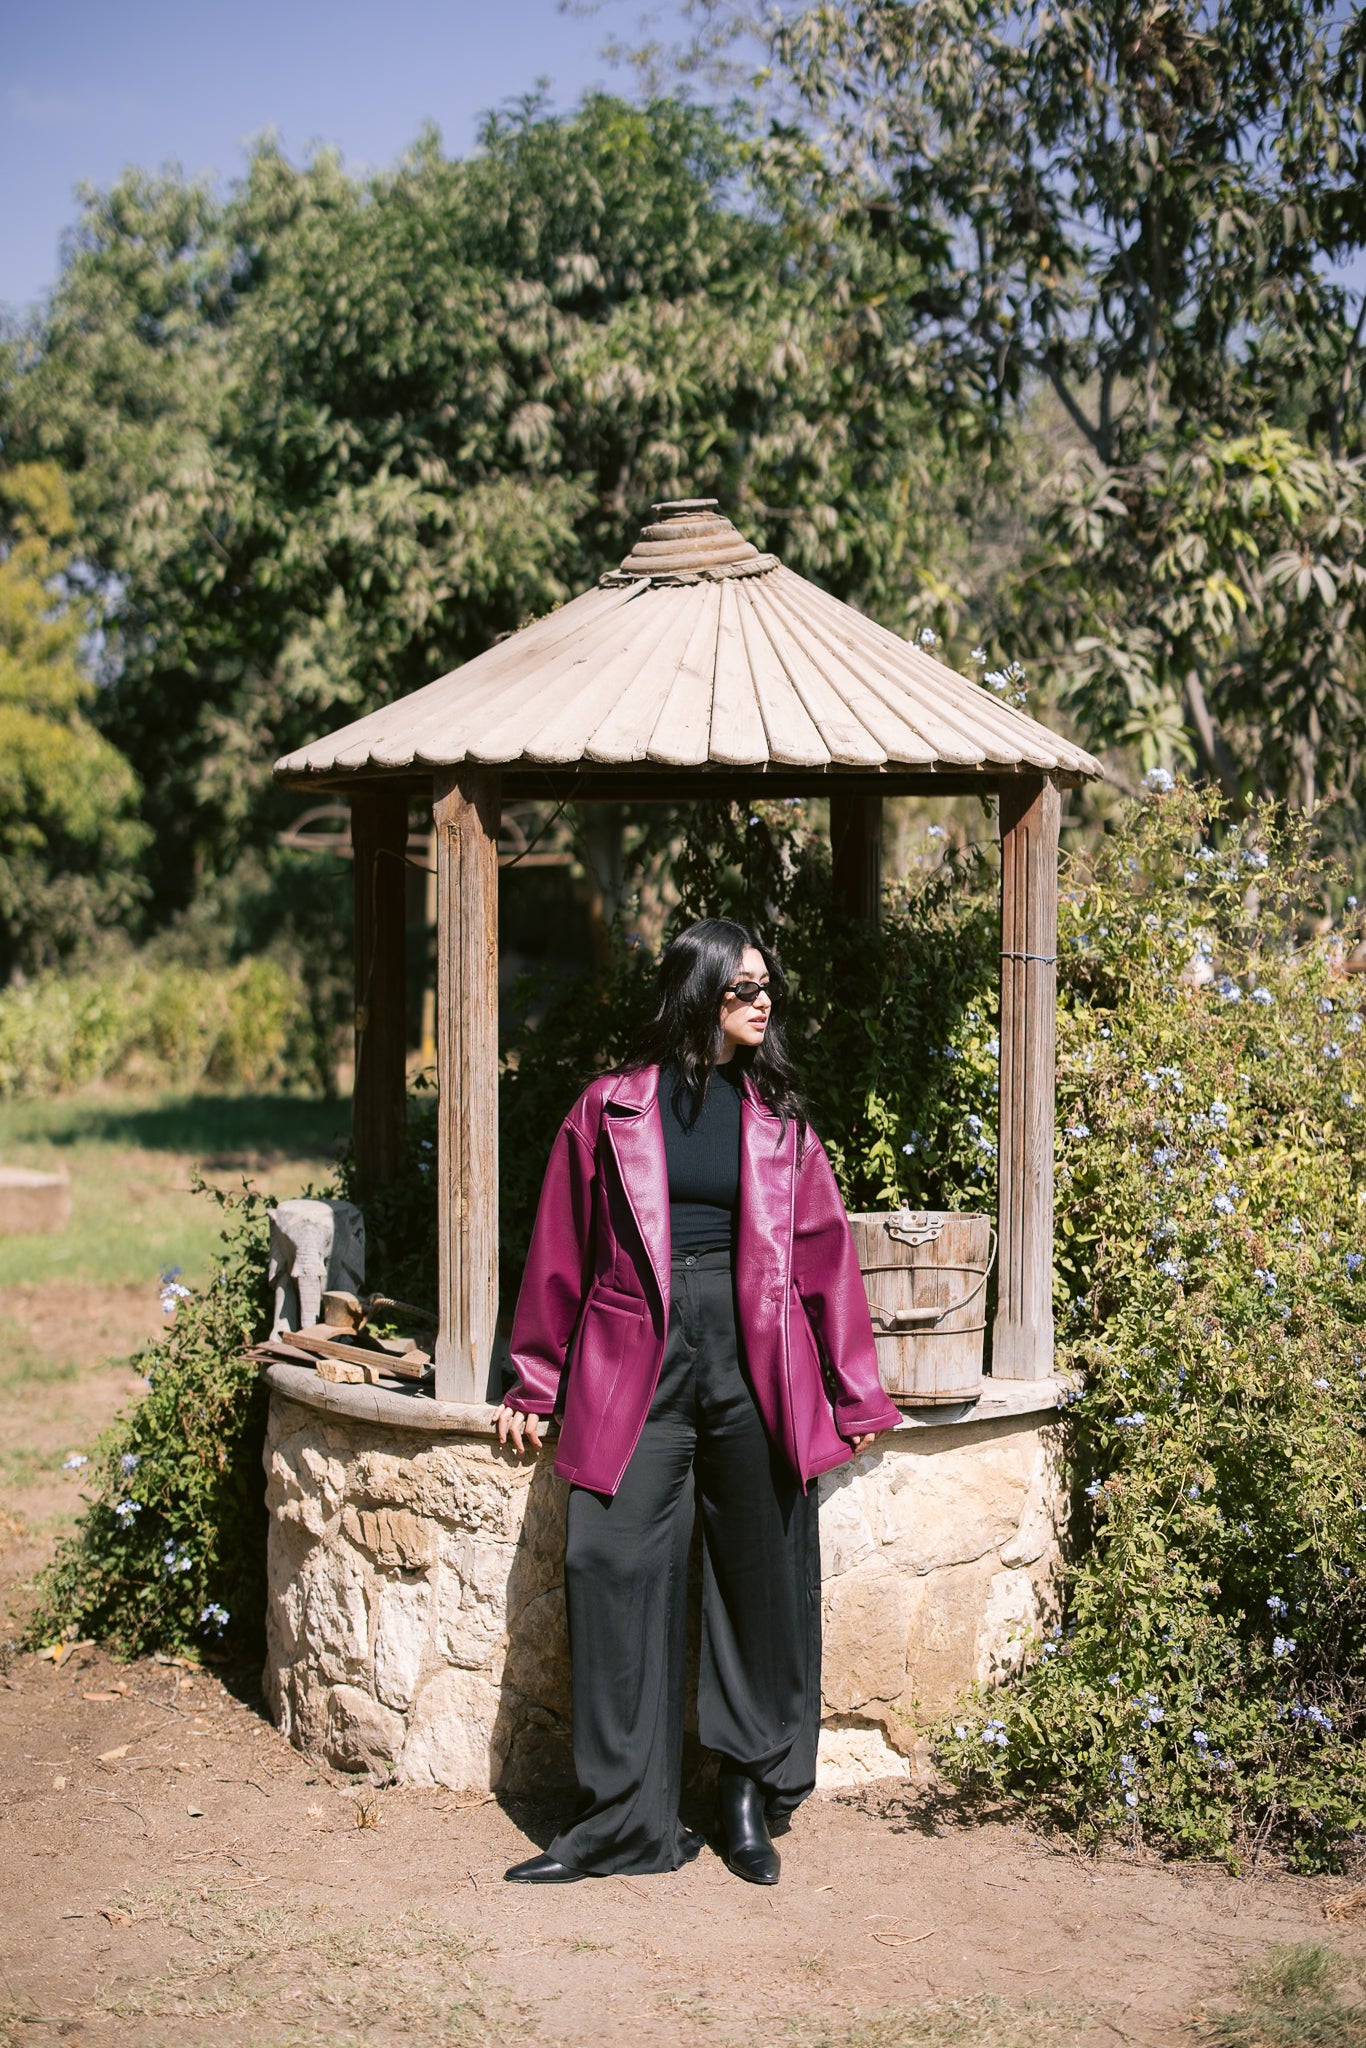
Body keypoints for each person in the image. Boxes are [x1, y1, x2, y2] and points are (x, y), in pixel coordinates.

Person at [493, 918, 900, 1885]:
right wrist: (536, 1379)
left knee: (759, 1575)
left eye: (769, 988)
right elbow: (560, 1250)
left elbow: (825, 1260)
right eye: (744, 988)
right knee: (607, 1559)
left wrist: (856, 1397)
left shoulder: (781, 1122)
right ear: (698, 992)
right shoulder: (609, 1110)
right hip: (634, 1350)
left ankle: (745, 1797)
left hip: (757, 1354)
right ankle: (625, 1823)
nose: (764, 1002)